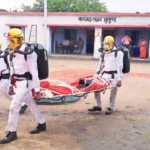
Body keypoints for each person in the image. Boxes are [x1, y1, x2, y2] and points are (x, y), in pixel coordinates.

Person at [0, 28, 46, 144]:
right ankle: (42, 123)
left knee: (14, 106)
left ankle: (12, 132)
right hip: (19, 83)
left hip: (27, 83)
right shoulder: (12, 52)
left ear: (17, 40)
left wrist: (37, 90)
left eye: (10, 40)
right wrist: (11, 85)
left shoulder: (29, 52)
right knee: (30, 103)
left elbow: (34, 72)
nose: (8, 43)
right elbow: (12, 69)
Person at [88, 36, 124, 115]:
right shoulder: (104, 52)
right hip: (105, 75)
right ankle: (98, 105)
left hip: (114, 75)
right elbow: (100, 64)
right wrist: (97, 74)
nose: (106, 45)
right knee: (96, 87)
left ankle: (111, 107)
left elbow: (120, 66)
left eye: (108, 44)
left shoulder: (118, 53)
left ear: (112, 43)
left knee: (113, 92)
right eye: (105, 43)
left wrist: (120, 79)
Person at [0, 44, 28, 114]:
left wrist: (12, 78)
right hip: (1, 77)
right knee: (7, 93)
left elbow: (11, 66)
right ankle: (22, 104)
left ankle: (22, 104)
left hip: (5, 77)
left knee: (6, 92)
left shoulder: (5, 55)